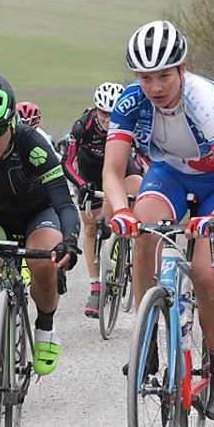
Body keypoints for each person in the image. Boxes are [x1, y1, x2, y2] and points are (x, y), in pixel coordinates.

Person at [102, 19, 214, 421]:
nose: (155, 87)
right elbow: (113, 172)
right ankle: (147, 336)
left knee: (205, 273)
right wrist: (119, 211)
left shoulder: (203, 99)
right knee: (142, 230)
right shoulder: (131, 102)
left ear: (182, 70)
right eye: (146, 77)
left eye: (164, 76)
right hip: (168, 173)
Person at [0, 74, 80, 377]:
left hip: (37, 215)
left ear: (12, 121)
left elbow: (64, 203)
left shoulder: (32, 144)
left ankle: (45, 328)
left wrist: (69, 239)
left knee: (42, 264)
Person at [61, 81, 144, 317]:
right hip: (90, 178)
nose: (108, 120)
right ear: (96, 110)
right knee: (90, 229)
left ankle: (133, 244)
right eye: (104, 114)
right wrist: (80, 185)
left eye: (113, 114)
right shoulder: (82, 126)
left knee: (139, 192)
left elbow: (146, 156)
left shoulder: (130, 125)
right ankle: (96, 288)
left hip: (121, 172)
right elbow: (66, 162)